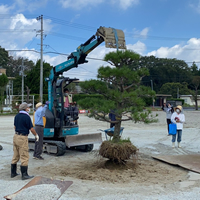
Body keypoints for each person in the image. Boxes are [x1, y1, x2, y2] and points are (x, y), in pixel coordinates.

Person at [11, 102, 39, 180]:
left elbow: (15, 126)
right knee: (24, 155)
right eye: (28, 107)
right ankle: (24, 174)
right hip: (22, 137)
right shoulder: (26, 117)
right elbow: (31, 128)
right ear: (25, 108)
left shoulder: (17, 116)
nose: (29, 108)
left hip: (16, 136)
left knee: (16, 154)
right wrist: (36, 135)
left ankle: (13, 173)